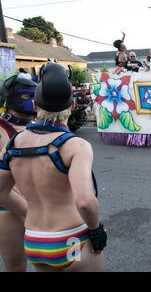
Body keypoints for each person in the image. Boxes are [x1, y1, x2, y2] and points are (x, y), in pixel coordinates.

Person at [0, 63, 107, 272]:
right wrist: (96, 229)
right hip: (70, 240)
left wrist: (31, 209)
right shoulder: (76, 146)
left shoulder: (13, 144)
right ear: (72, 104)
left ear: (35, 103)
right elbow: (85, 201)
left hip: (35, 242)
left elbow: (1, 192)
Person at [0, 74, 37, 272]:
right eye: (26, 96)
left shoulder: (37, 127)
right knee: (16, 266)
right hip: (8, 208)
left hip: (38, 205)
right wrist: (31, 213)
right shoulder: (1, 130)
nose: (32, 100)